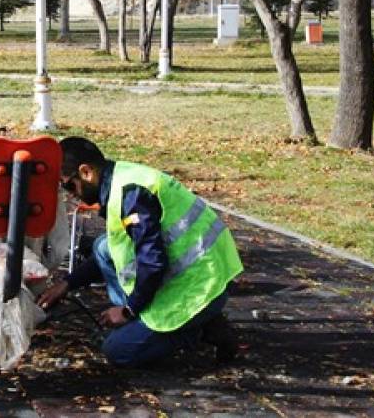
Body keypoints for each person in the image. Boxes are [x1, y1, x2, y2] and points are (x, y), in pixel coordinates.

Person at [37, 136, 243, 367]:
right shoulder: (118, 178)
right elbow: (121, 251)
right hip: (199, 273)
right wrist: (68, 283)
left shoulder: (131, 196)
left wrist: (128, 311)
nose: (70, 195)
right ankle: (168, 320)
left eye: (68, 185)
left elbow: (152, 262)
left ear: (86, 172)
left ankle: (202, 330)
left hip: (200, 287)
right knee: (103, 248)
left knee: (118, 351)